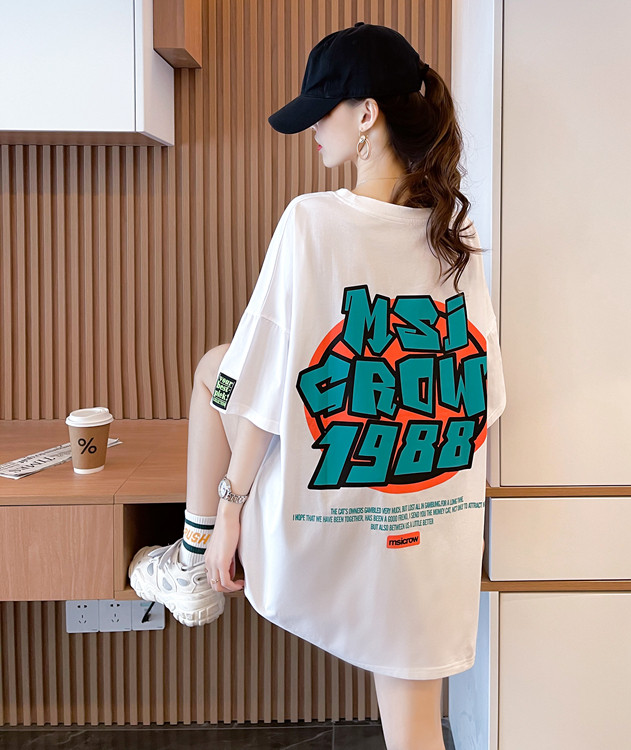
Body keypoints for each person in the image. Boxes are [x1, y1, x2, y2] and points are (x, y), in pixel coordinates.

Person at [128, 22, 506, 750]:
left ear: (367, 114)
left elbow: (263, 381)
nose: (311, 130)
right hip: (427, 516)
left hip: (330, 509)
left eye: (321, 111)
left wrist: (229, 510)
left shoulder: (311, 221)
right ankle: (195, 557)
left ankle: (192, 557)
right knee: (416, 732)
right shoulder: (455, 239)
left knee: (216, 368)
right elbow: (482, 393)